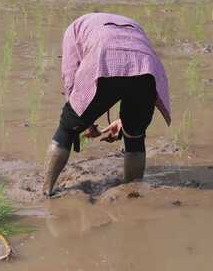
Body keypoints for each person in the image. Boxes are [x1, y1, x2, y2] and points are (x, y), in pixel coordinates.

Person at [43, 13, 171, 197]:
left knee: (66, 130)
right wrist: (125, 121)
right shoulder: (133, 23)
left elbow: (70, 76)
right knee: (135, 135)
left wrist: (80, 120)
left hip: (104, 59)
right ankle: (132, 195)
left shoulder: (74, 28)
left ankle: (46, 192)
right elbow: (132, 67)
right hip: (147, 69)